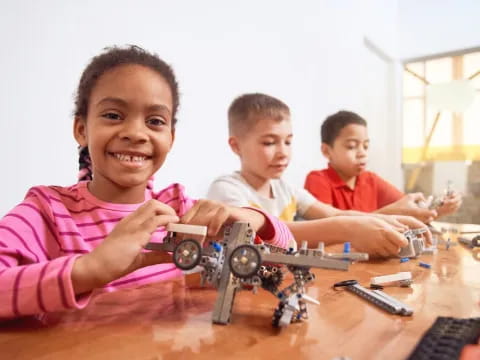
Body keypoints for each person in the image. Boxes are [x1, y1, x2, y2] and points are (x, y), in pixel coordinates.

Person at [0, 46, 293, 319]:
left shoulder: (178, 211)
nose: (136, 133)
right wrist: (89, 269)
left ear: (171, 138)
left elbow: (286, 259)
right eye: (113, 115)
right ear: (81, 130)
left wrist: (252, 218)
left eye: (155, 121)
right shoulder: (47, 213)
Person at [207, 93, 430, 257]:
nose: (283, 152)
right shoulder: (226, 190)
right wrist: (350, 229)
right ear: (236, 146)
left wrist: (390, 220)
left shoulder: (286, 189)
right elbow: (267, 233)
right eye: (269, 142)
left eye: (288, 141)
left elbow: (333, 214)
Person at [304, 110, 462, 223]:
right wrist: (390, 213)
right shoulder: (318, 180)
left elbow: (409, 210)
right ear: (326, 150)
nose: (362, 153)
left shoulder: (370, 180)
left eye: (365, 146)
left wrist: (439, 209)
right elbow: (329, 229)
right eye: (351, 146)